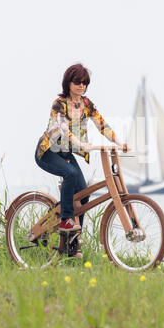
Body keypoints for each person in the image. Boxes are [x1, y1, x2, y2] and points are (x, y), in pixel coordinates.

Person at [35, 63, 129, 257]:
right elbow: (62, 128)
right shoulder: (58, 104)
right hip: (48, 152)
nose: (81, 86)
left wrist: (120, 142)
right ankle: (66, 220)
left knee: (83, 193)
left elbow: (102, 124)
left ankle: (73, 240)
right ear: (68, 82)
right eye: (77, 82)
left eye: (84, 83)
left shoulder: (86, 104)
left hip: (66, 153)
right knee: (70, 174)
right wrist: (80, 143)